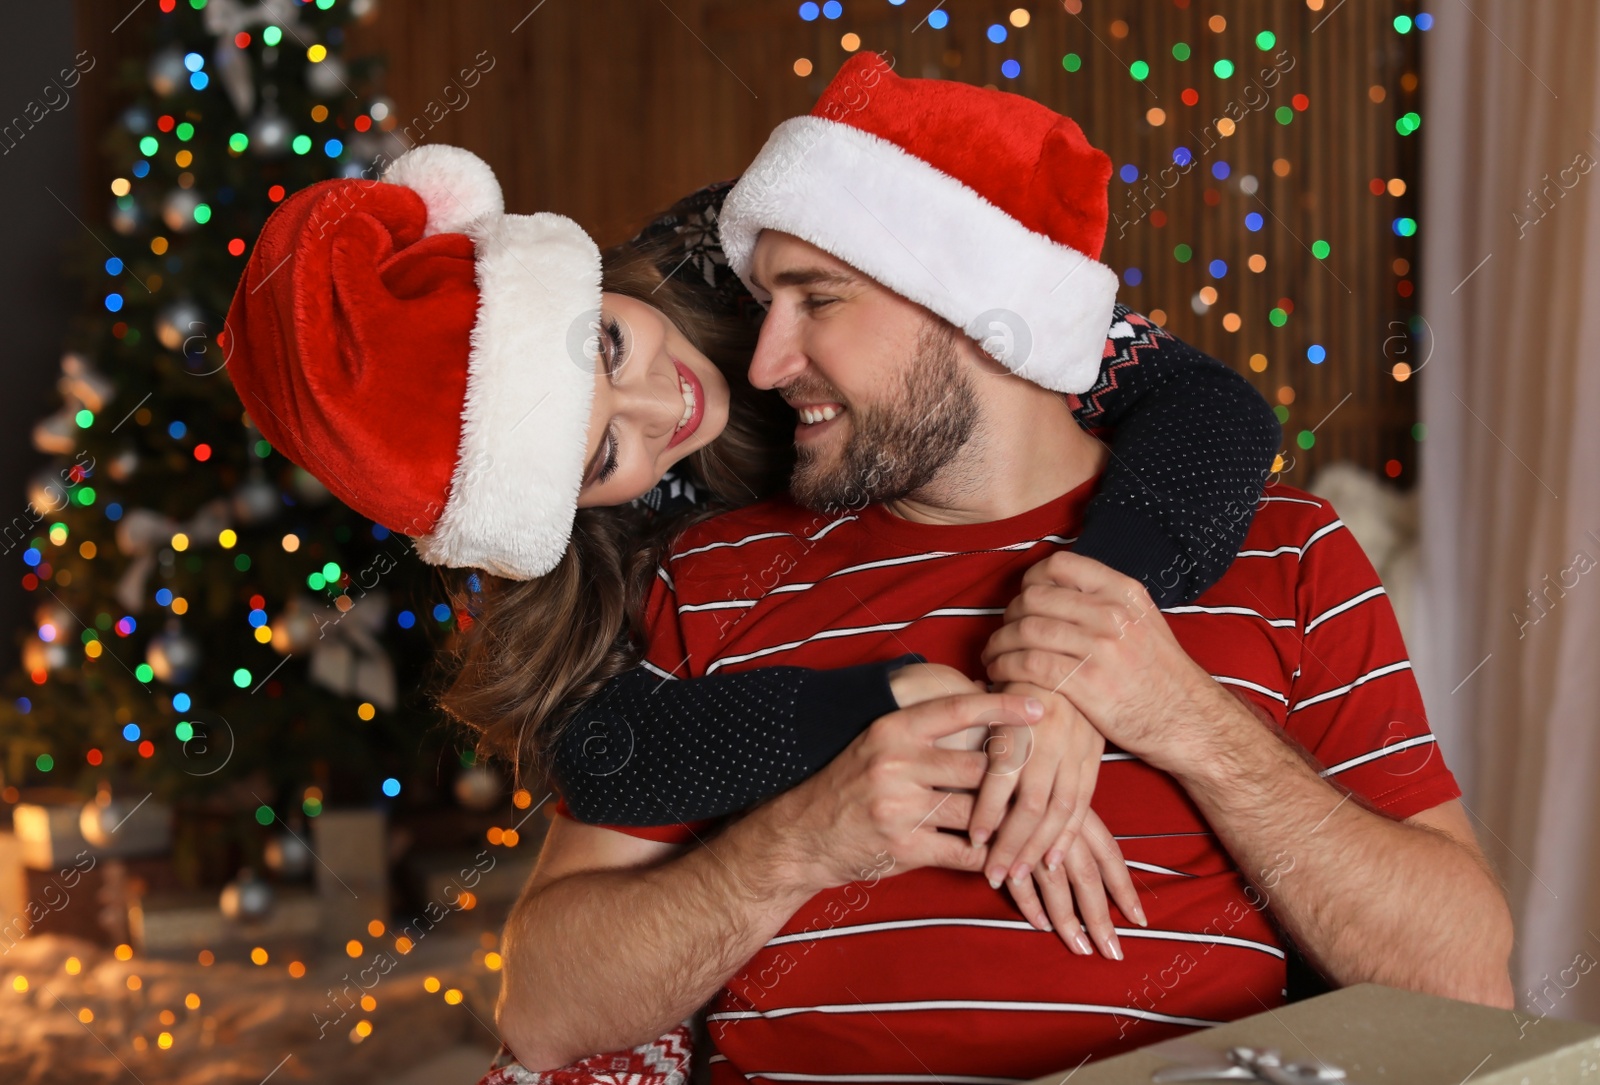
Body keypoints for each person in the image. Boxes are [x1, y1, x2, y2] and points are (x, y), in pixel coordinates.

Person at [488, 54, 1514, 1078]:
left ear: (970, 302)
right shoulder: (715, 571)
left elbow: (1465, 980)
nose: (762, 363)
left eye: (817, 300)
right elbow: (540, 1009)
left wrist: (1183, 720)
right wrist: (807, 837)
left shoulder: (1284, 550)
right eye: (766, 304)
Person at [224, 123, 1280, 954]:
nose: (661, 404)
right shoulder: (614, 550)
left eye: (609, 344)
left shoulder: (746, 249)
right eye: (602, 456)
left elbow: (1202, 403)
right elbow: (603, 753)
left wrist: (1082, 631)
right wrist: (879, 702)